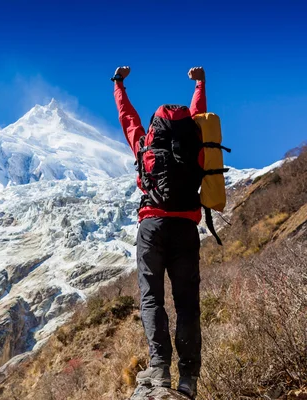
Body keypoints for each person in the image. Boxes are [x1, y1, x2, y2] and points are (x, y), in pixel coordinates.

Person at [112, 66, 206, 398]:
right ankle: (188, 378)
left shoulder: (144, 143)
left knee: (152, 299)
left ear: (155, 129)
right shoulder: (194, 138)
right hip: (185, 229)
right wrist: (199, 84)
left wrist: (119, 85)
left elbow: (128, 118)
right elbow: (200, 113)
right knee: (187, 304)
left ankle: (160, 369)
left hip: (152, 228)